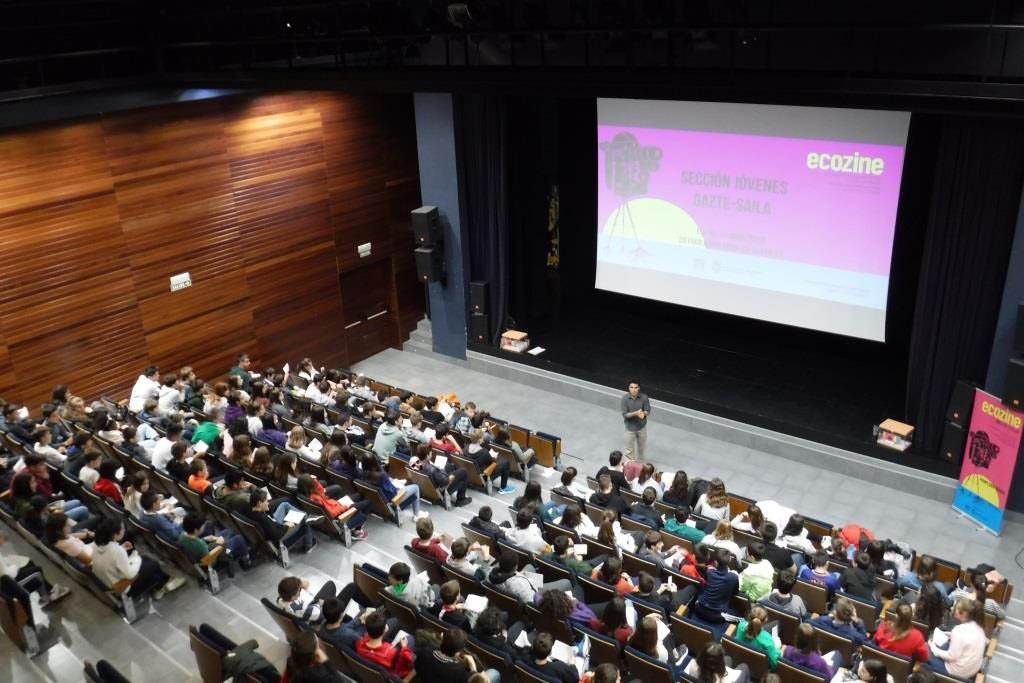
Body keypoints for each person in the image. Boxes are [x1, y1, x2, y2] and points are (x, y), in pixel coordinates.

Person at [91, 517, 183, 599]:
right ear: (115, 534)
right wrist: (136, 556)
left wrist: (123, 549)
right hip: (124, 587)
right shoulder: (116, 551)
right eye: (122, 529)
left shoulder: (97, 544)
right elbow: (130, 575)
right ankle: (161, 586)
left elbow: (110, 557)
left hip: (111, 581)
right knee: (153, 564)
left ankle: (160, 583)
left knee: (147, 561)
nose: (124, 530)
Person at [1, 529, 71, 604]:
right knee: (37, 570)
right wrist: (15, 566)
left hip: (8, 577)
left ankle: (48, 591)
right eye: (1, 538)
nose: (4, 539)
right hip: (10, 583)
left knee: (29, 563)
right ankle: (47, 595)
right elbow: (8, 575)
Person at [296, 474, 369, 540]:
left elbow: (321, 491)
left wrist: (315, 480)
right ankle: (356, 530)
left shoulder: (307, 494)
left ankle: (357, 525)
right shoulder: (315, 498)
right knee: (368, 502)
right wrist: (344, 507)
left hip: (336, 505)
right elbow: (331, 513)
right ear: (310, 485)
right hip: (339, 514)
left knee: (359, 495)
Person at [927, 597, 986, 678]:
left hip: (956, 673)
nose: (952, 609)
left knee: (925, 651)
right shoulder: (979, 627)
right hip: (972, 671)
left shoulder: (958, 630)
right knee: (944, 644)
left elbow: (951, 656)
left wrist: (933, 648)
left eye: (955, 608)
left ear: (963, 613)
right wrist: (949, 634)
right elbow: (965, 640)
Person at [245, 488, 317, 553]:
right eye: (266, 501)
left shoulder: (251, 511)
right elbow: (276, 534)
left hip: (273, 522)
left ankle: (306, 516)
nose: (268, 503)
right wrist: (287, 525)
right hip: (279, 533)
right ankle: (309, 545)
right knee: (303, 520)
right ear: (259, 503)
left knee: (284, 505)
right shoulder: (262, 518)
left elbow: (270, 524)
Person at [356, 610, 415, 678]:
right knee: (411, 639)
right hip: (388, 673)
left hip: (367, 672)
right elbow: (402, 670)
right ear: (385, 630)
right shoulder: (391, 653)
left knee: (394, 621)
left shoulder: (359, 643)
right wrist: (404, 648)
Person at [692, 548, 739, 623]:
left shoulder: (709, 571)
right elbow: (735, 593)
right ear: (729, 560)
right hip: (717, 615)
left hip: (698, 607)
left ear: (715, 562)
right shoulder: (733, 577)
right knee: (742, 619)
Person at [465, 428, 514, 494]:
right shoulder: (484, 452)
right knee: (506, 463)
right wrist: (495, 458)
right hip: (483, 476)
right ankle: (503, 488)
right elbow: (492, 464)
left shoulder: (466, 448)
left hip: (471, 474)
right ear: (480, 439)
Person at [683, 641, 751, 683]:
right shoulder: (727, 678)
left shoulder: (692, 665)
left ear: (701, 655)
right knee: (744, 666)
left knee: (728, 659)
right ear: (720, 663)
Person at [621, 381, 650, 459]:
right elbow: (625, 415)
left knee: (641, 448)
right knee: (629, 450)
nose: (633, 390)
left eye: (636, 387)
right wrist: (636, 413)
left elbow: (647, 410)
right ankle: (630, 466)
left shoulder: (644, 397)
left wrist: (643, 414)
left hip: (641, 428)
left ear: (639, 388)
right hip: (629, 428)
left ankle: (640, 466)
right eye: (631, 387)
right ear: (629, 388)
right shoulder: (625, 398)